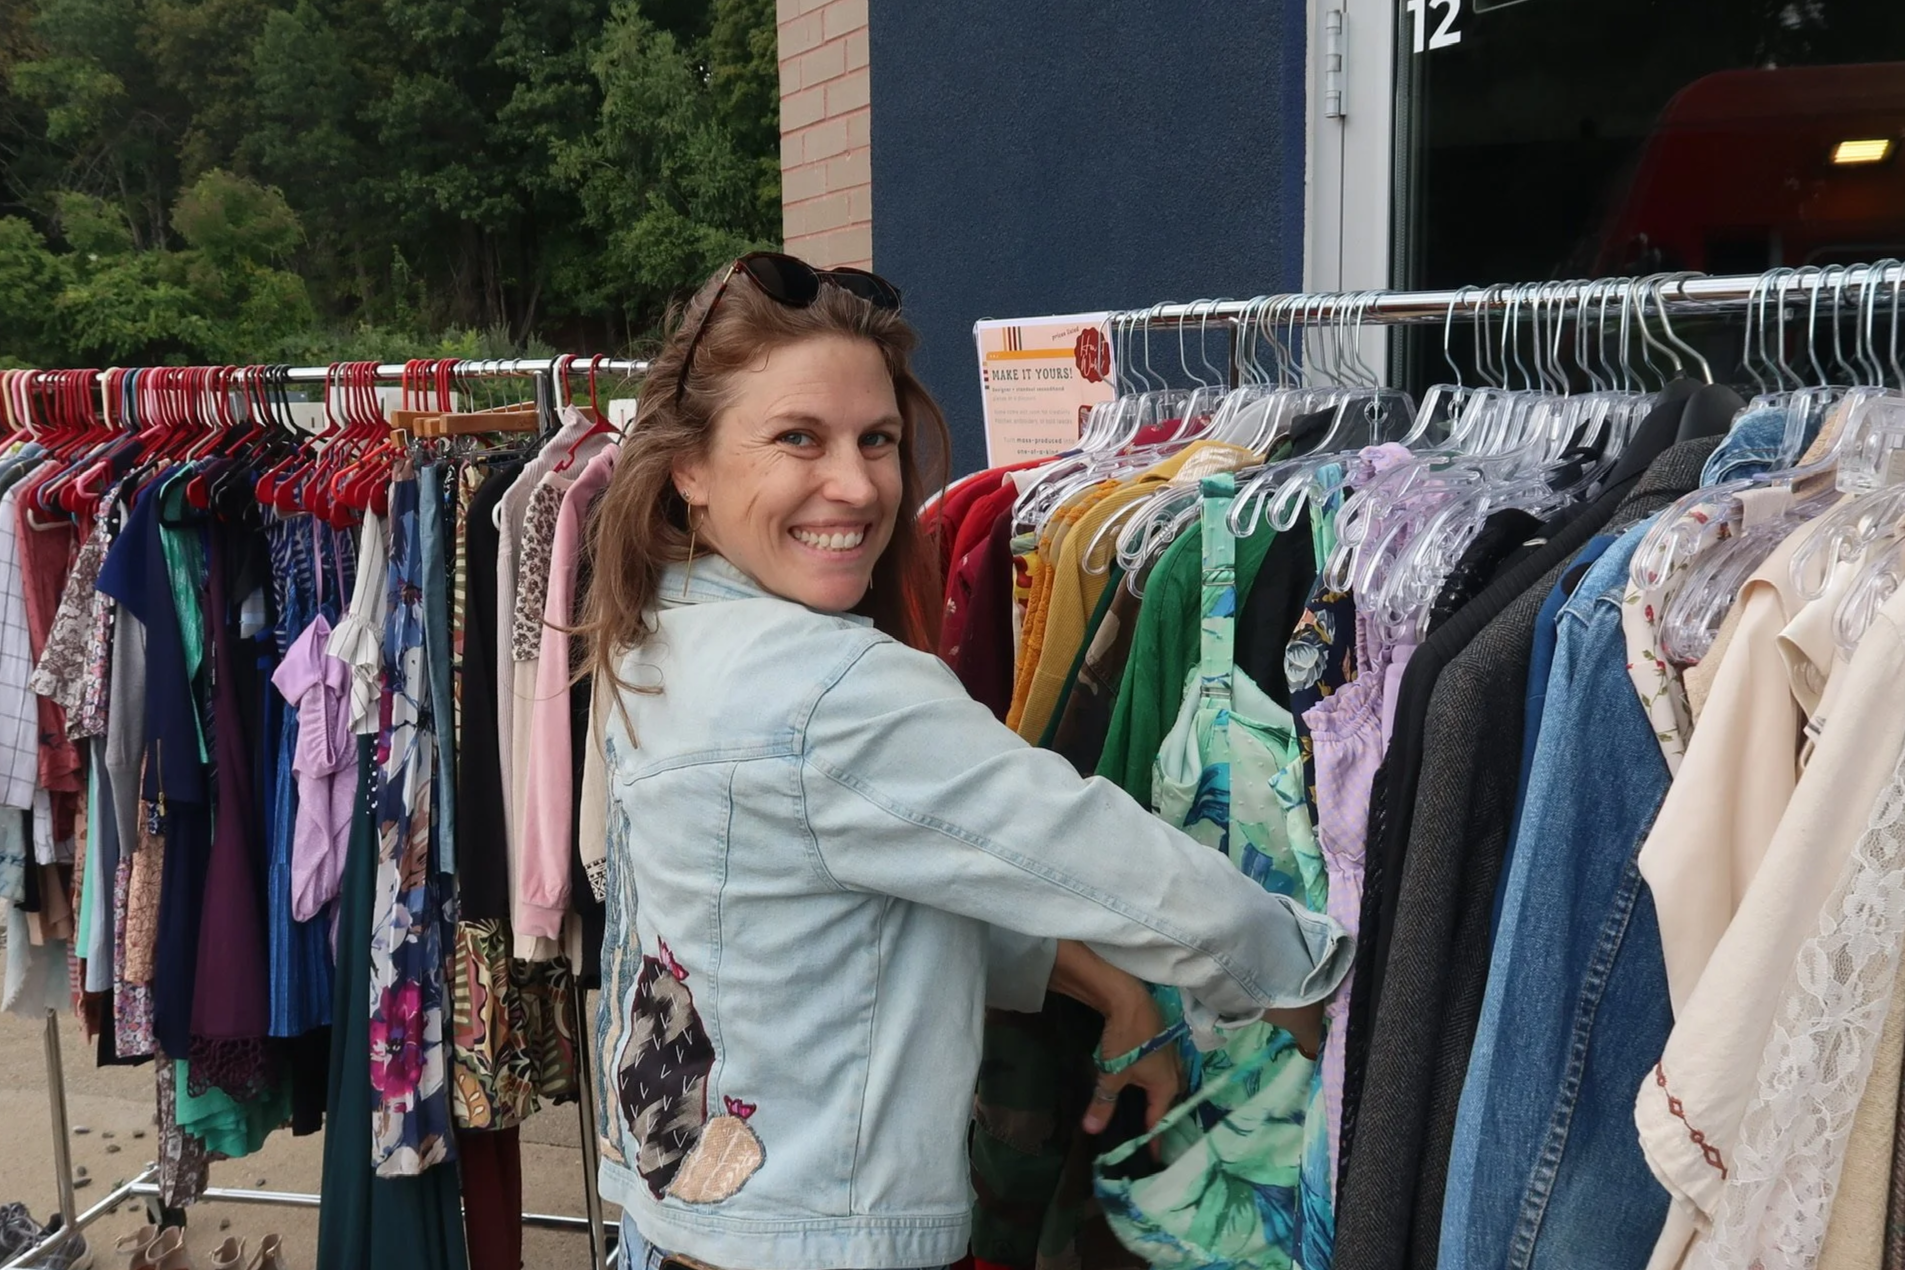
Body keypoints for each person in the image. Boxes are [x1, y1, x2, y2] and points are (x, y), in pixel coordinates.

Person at [579, 253, 1352, 1270]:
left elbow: (819, 910)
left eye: (879, 440)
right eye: (798, 439)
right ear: (690, 467)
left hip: (670, 1227)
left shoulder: (656, 637)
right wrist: (1307, 978)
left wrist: (1110, 988)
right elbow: (1089, 849)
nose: (856, 485)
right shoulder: (829, 685)